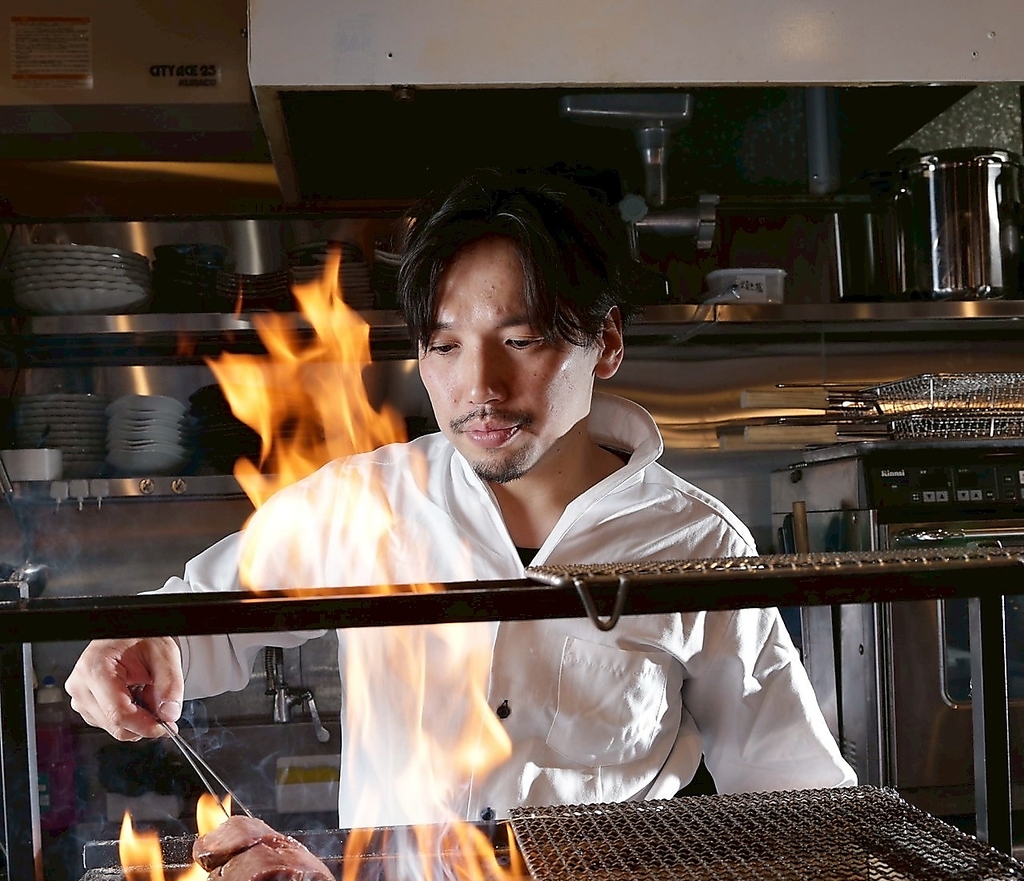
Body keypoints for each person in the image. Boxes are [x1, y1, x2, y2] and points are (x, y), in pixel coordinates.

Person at [65, 168, 855, 829]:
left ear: (605, 342)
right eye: (445, 346)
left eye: (521, 340)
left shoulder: (697, 546)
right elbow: (196, 622)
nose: (480, 387)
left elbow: (786, 777)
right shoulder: (366, 502)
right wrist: (139, 651)